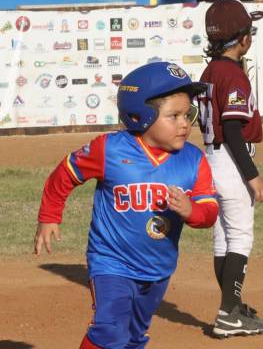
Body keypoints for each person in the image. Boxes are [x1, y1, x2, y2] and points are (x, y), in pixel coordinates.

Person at [33, 62, 219, 349]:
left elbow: (209, 211)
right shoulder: (109, 149)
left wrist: (191, 211)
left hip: (158, 267)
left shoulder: (193, 160)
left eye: (188, 114)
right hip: (111, 261)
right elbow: (66, 173)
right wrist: (49, 216)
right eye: (174, 116)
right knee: (110, 330)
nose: (185, 123)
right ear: (142, 115)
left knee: (133, 337)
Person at [197, 0, 263, 338]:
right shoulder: (234, 76)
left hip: (212, 160)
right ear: (242, 39)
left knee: (223, 238)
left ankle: (233, 306)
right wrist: (252, 175)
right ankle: (228, 313)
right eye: (249, 30)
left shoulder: (210, 70)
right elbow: (231, 129)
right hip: (231, 159)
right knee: (240, 236)